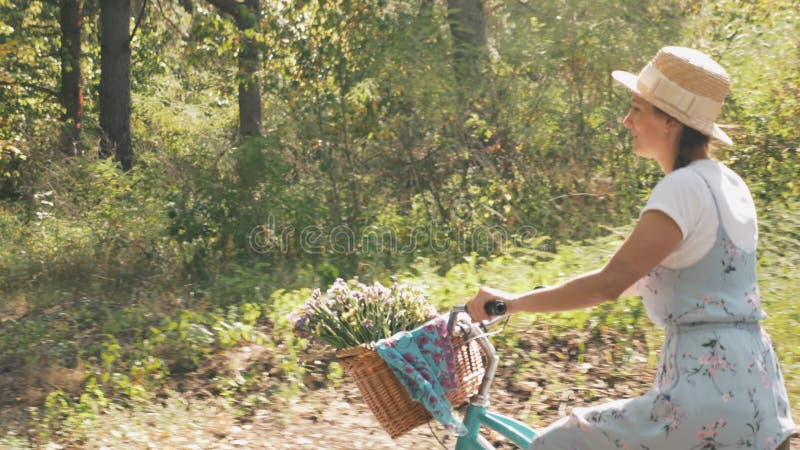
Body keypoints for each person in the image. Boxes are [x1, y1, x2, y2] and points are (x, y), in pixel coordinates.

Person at [466, 46, 797, 449]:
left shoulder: (681, 188)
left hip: (704, 397)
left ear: (670, 120)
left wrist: (509, 305)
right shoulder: (729, 184)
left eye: (638, 108)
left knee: (562, 442)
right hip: (756, 392)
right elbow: (638, 281)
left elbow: (609, 284)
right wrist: (524, 299)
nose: (627, 120)